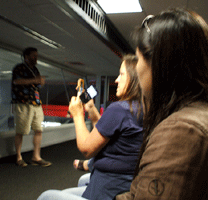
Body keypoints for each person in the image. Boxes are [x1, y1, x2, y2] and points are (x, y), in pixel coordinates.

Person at [116, 8, 208, 199]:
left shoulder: (181, 130)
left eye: (139, 58)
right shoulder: (195, 113)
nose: (137, 67)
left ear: (158, 64)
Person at [37, 54, 143, 200]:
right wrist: (92, 110)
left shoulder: (119, 109)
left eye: (121, 74)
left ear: (134, 78)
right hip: (125, 184)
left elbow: (86, 148)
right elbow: (104, 133)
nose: (117, 79)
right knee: (80, 182)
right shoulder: (140, 109)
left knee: (46, 196)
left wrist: (77, 115)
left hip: (108, 189)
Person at [12, 47, 52, 167]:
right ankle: (19, 157)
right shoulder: (19, 68)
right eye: (33, 56)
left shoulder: (35, 69)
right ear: (26, 57)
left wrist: (40, 82)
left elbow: (35, 85)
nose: (36, 58)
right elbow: (17, 82)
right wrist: (34, 80)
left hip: (36, 103)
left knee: (38, 129)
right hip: (23, 103)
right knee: (21, 131)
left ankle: (36, 157)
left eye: (36, 56)